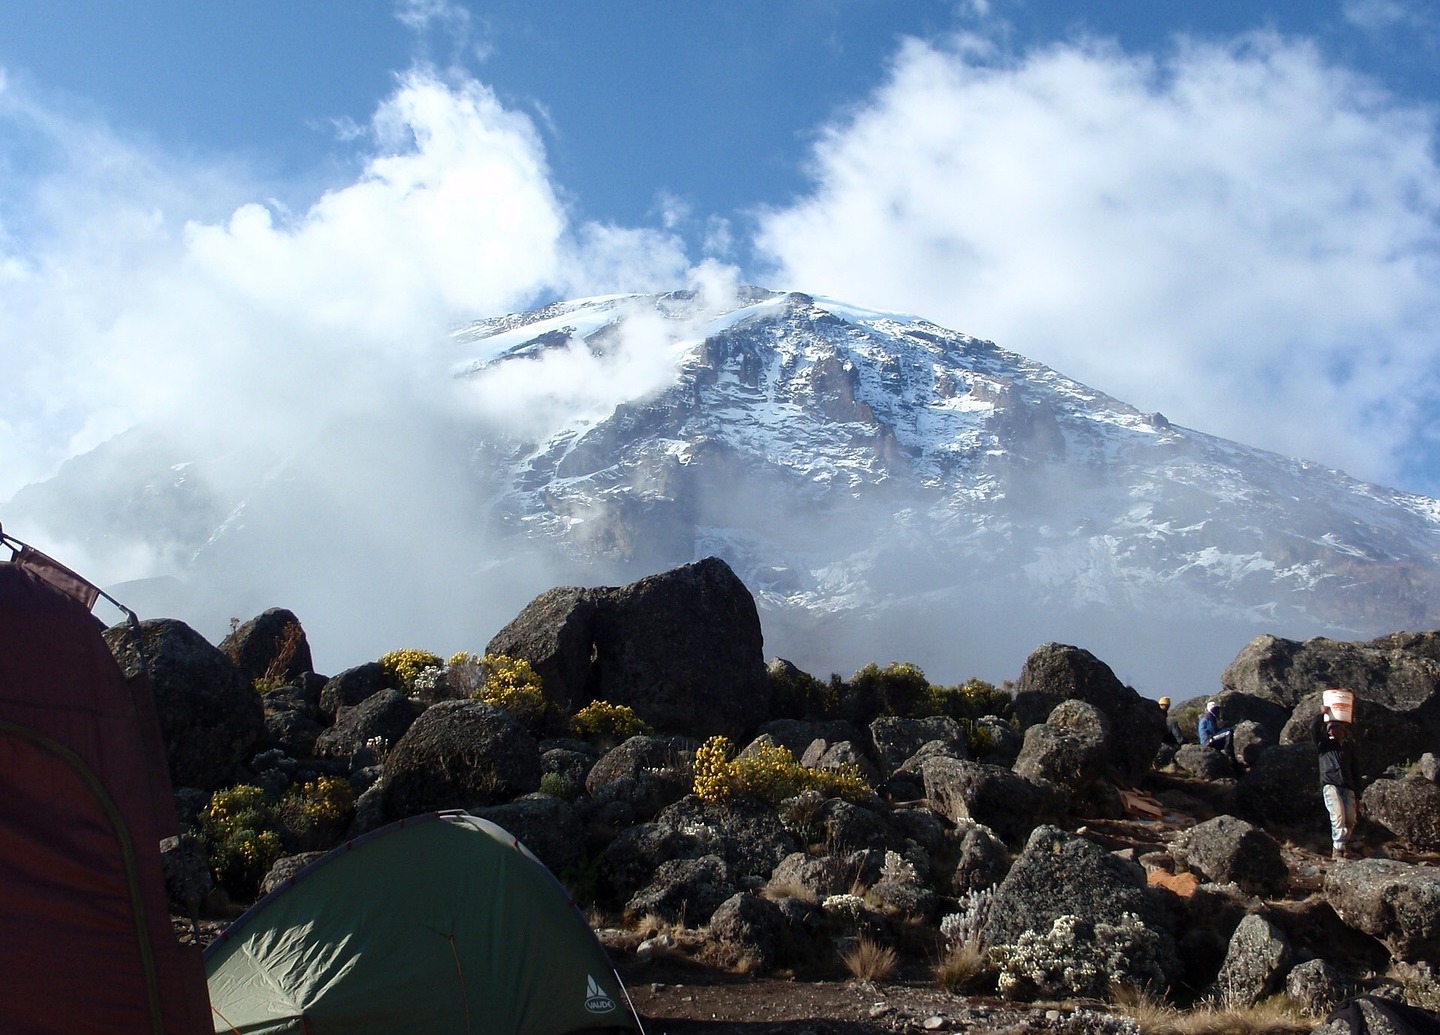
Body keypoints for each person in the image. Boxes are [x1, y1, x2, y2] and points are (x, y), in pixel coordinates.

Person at [1312, 705, 1361, 859]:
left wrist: (1358, 793)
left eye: (1337, 728)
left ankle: (1343, 845)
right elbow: (1313, 729)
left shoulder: (1348, 748)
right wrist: (1322, 715)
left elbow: (1355, 771)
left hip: (1348, 787)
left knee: (1351, 819)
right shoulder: (1324, 745)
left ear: (1343, 731)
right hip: (1331, 785)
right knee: (1338, 815)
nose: (1333, 730)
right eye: (1331, 728)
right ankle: (1338, 850)